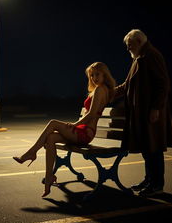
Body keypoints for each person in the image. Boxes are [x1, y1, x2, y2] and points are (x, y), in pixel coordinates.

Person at [13, 62, 116, 197]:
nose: (94, 78)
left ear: (104, 74)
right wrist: (76, 125)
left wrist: (74, 124)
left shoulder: (100, 89)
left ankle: (31, 153)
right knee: (51, 138)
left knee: (53, 123)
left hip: (85, 133)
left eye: (97, 74)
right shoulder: (99, 89)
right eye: (91, 75)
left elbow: (91, 114)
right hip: (82, 131)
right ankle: (49, 177)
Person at [115, 29, 172, 197]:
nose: (128, 48)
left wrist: (156, 108)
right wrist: (107, 94)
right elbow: (127, 85)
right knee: (147, 149)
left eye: (130, 45)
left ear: (140, 42)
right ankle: (149, 179)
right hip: (142, 113)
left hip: (151, 113)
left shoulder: (151, 55)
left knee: (154, 149)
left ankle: (156, 185)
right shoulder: (139, 58)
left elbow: (163, 84)